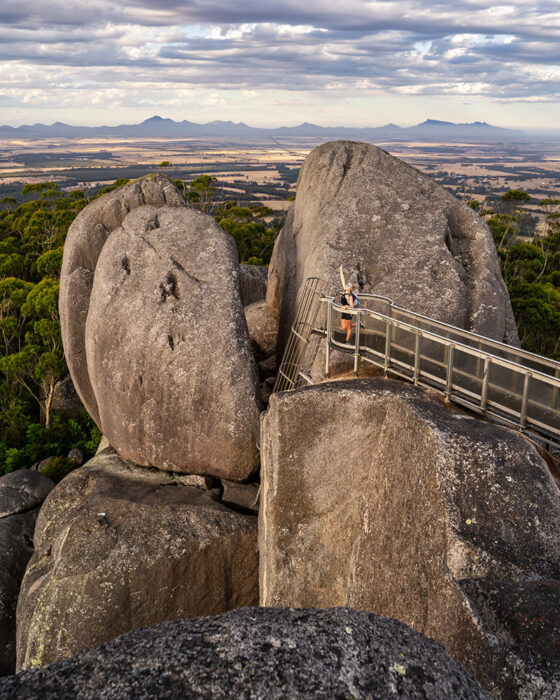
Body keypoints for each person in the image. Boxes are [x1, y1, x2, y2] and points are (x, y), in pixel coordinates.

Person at [339, 265, 357, 343]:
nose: (347, 285)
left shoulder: (350, 296)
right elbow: (343, 279)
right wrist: (340, 270)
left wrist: (346, 306)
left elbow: (352, 306)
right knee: (343, 327)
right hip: (344, 311)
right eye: (347, 284)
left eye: (349, 285)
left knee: (349, 328)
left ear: (351, 289)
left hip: (348, 312)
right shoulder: (344, 291)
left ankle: (347, 341)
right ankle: (357, 324)